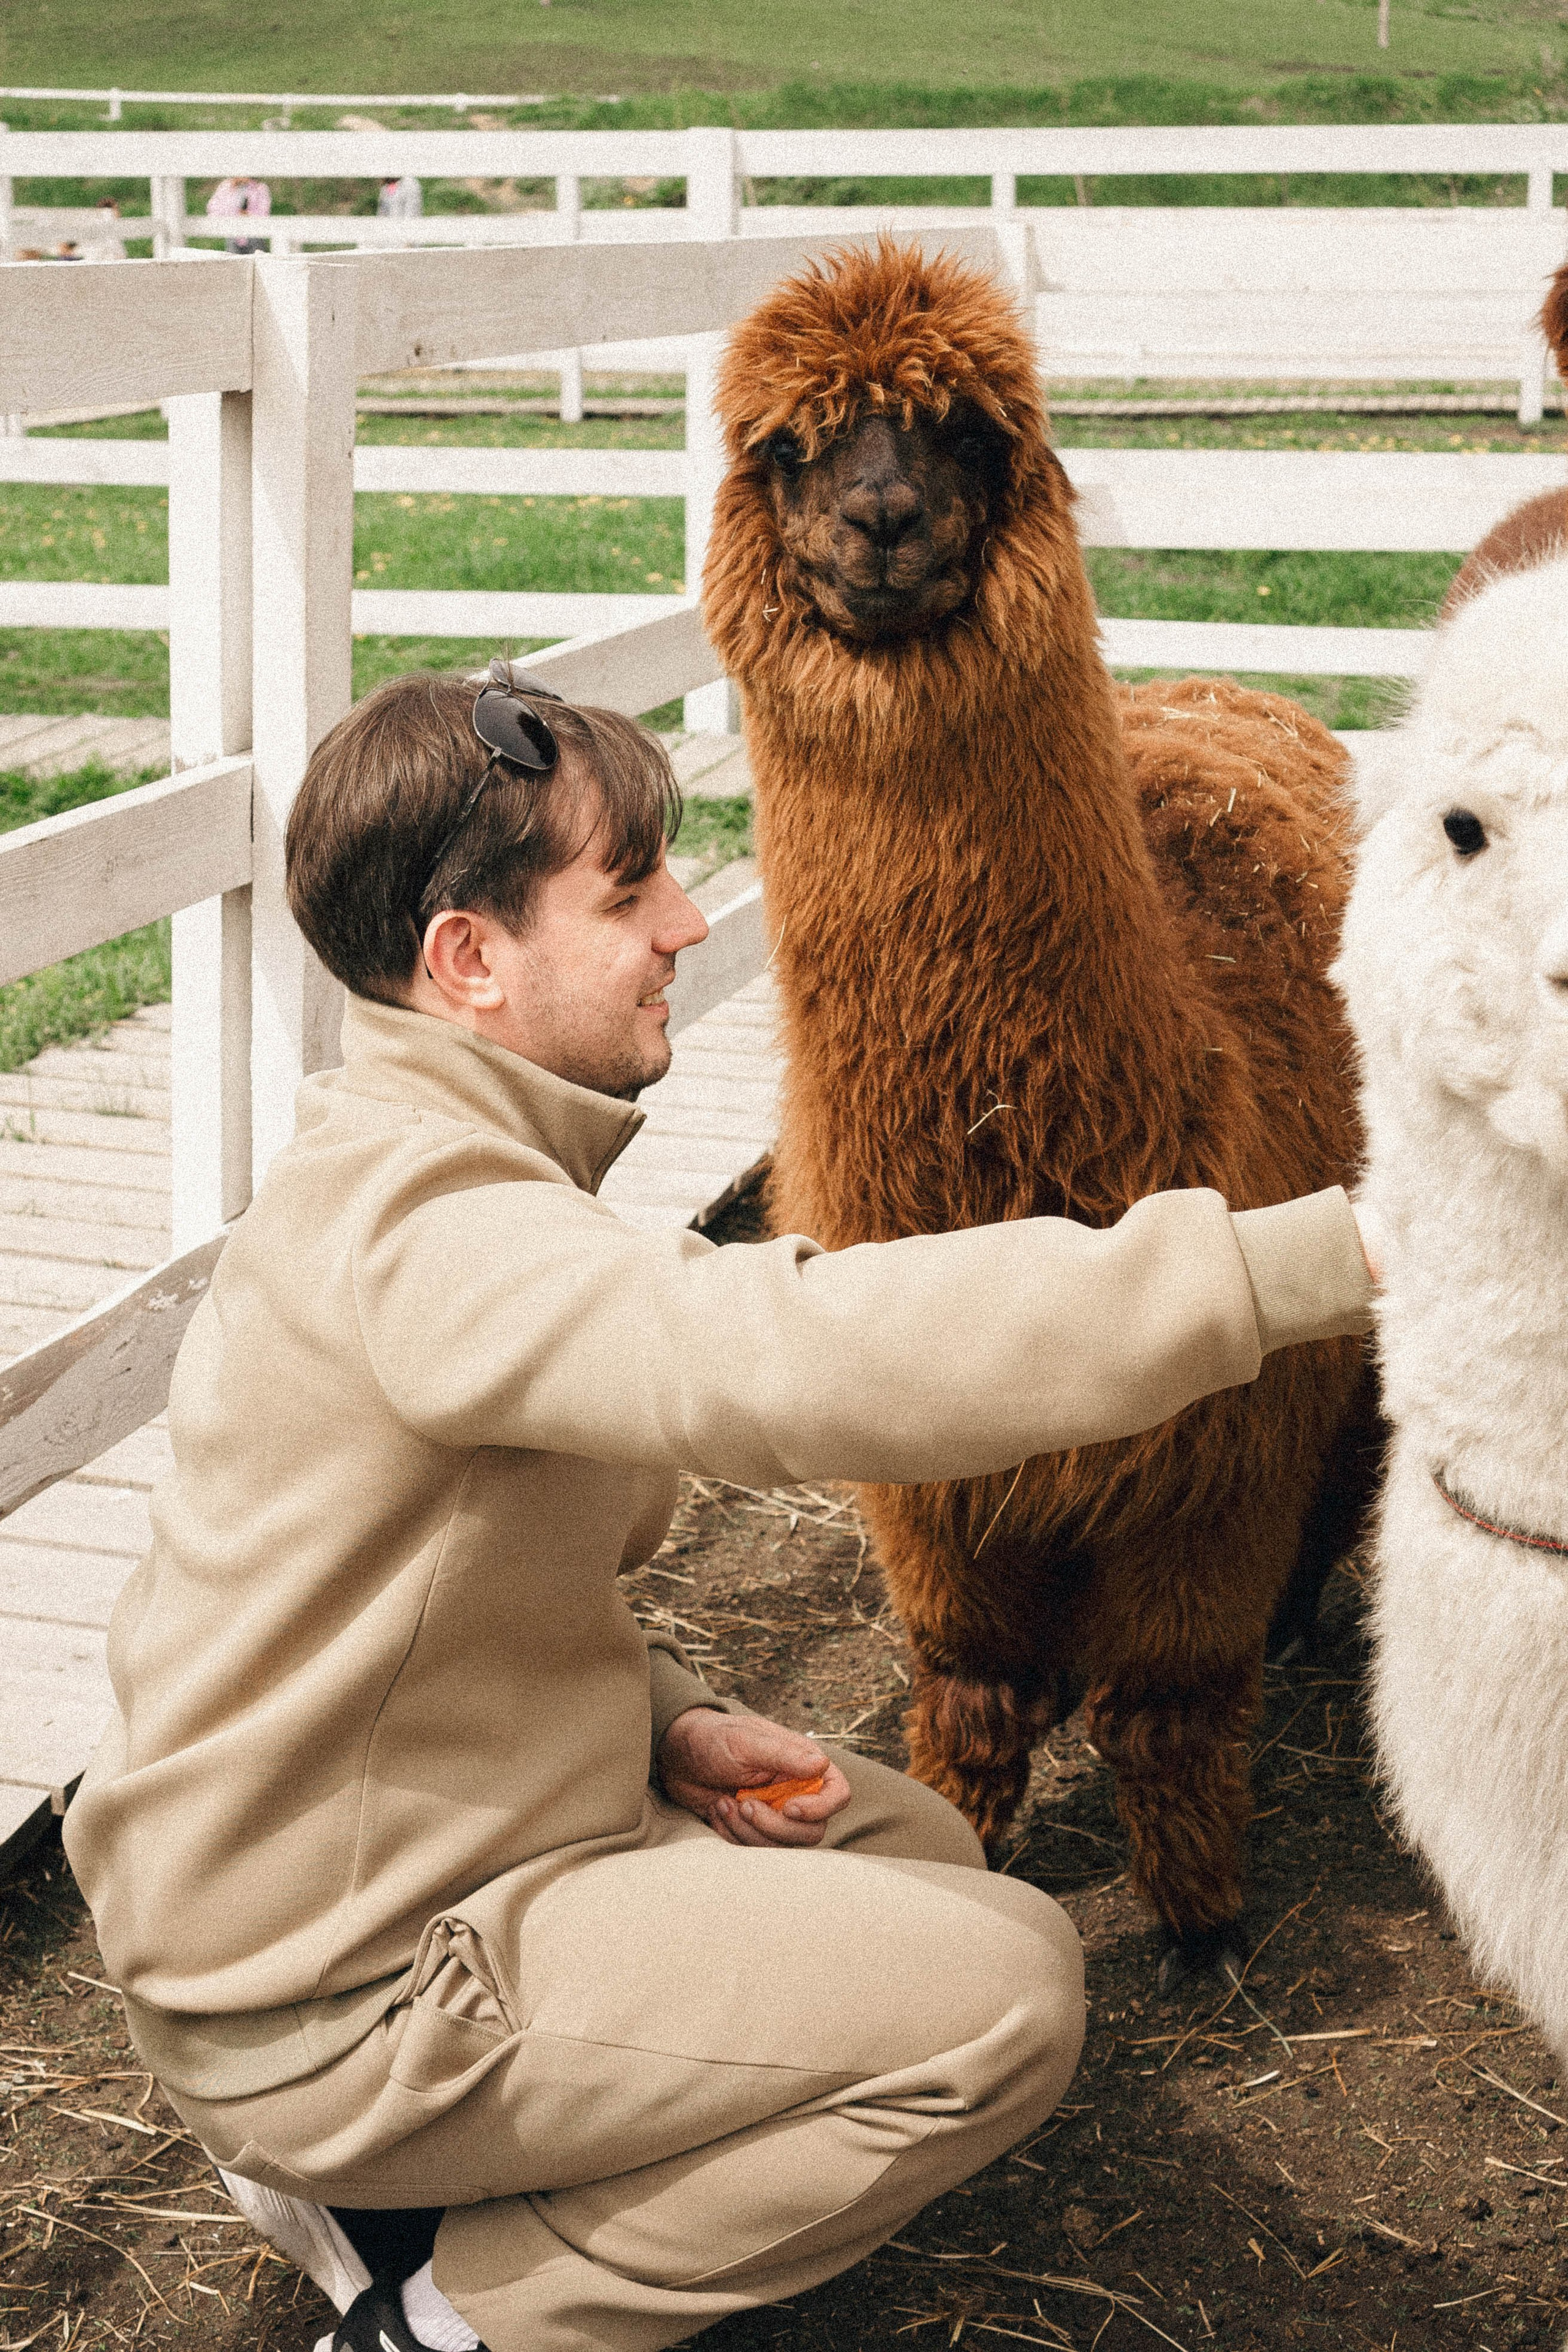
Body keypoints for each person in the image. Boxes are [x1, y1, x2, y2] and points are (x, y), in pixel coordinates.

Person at [63, 662, 1378, 2352]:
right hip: (331, 1985)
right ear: (469, 959)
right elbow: (790, 1349)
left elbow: (370, 1592)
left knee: (904, 1847)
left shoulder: (428, 1175)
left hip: (383, 1875)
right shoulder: (430, 1232)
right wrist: (1311, 1255)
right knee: (1002, 2003)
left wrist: (663, 1725)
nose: (689, 921)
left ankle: (418, 2174)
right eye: (630, 890)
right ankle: (448, 2315)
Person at [205, 174, 271, 255]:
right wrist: (231, 190)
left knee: (256, 259)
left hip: (253, 233)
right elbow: (213, 209)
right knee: (233, 261)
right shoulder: (226, 187)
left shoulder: (259, 188)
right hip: (233, 232)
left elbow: (264, 212)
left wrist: (248, 214)